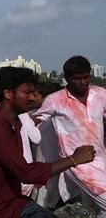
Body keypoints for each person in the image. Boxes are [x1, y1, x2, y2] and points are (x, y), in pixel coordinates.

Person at [0, 66, 96, 218]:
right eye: (27, 93)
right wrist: (74, 159)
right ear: (8, 93)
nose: (33, 98)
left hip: (12, 202)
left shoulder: (16, 122)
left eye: (34, 93)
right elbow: (25, 172)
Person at [35, 56, 106, 216]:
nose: (83, 82)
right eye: (77, 78)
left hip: (100, 160)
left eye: (86, 77)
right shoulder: (55, 100)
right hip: (77, 164)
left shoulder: (100, 94)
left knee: (92, 210)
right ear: (67, 79)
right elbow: (34, 122)